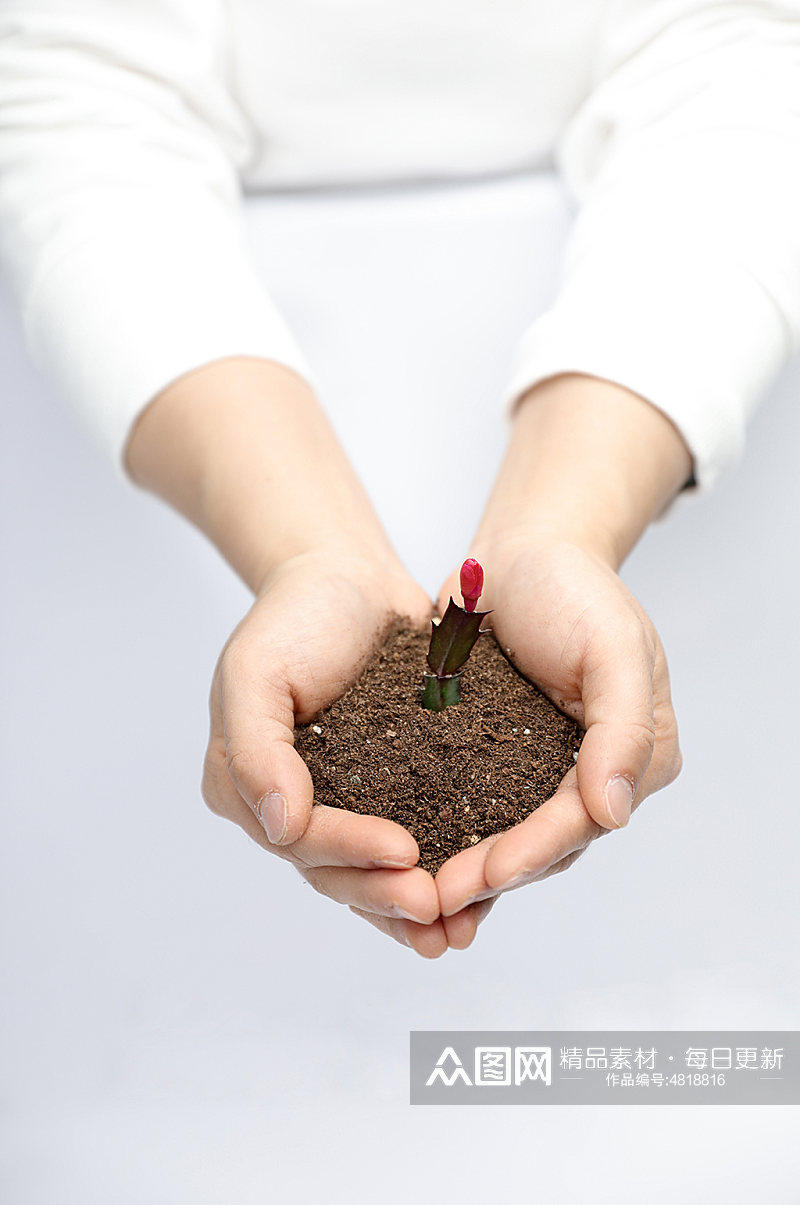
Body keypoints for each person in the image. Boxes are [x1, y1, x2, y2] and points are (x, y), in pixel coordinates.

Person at [1, 1, 798, 959]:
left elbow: (738, 58)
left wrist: (563, 525)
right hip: (174, 381)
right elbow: (82, 94)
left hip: (660, 359)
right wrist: (304, 550)